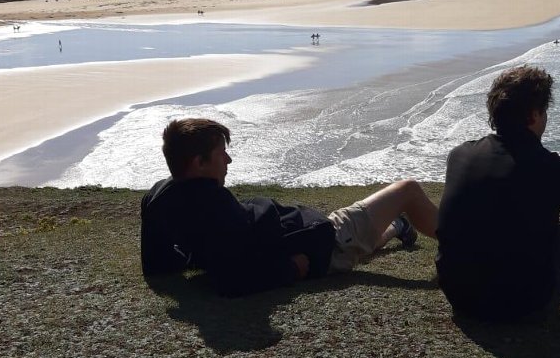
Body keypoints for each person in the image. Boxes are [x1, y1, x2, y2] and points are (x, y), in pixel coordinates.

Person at [141, 118, 438, 297]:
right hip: (323, 242)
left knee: (359, 242)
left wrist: (195, 255)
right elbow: (230, 281)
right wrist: (287, 270)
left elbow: (156, 265)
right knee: (407, 189)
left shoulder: (158, 196)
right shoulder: (214, 207)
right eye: (222, 155)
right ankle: (470, 247)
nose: (228, 161)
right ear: (199, 162)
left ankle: (398, 226)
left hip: (316, 236)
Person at [435, 65, 560, 322]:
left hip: (459, 296)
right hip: (523, 304)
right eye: (544, 111)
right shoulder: (549, 168)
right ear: (535, 114)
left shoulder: (460, 154)